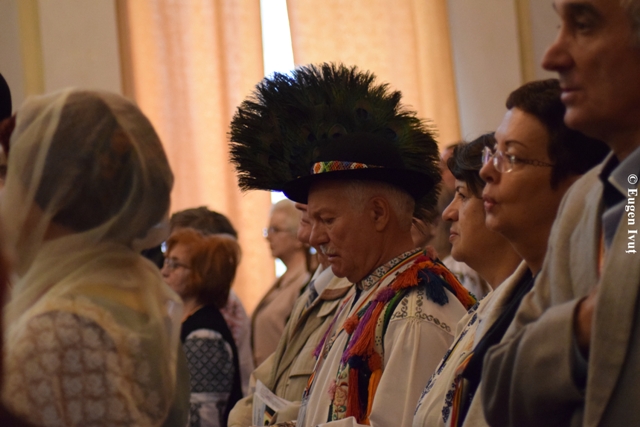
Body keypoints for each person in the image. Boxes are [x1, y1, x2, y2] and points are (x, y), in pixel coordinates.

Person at [229, 63, 476, 427]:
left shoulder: (415, 313)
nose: (313, 237)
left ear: (378, 213)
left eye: (328, 220)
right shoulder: (365, 294)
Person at [412, 80, 608, 426]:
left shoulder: (600, 282)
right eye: (493, 155)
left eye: (512, 157)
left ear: (577, 185)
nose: (487, 171)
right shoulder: (521, 292)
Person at [481, 1, 640, 426]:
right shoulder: (585, 199)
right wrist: (584, 325)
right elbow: (498, 389)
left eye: (584, 25)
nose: (552, 56)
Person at [0, 89, 189, 426]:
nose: (7, 197)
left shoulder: (53, 331)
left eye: (12, 177)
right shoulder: (146, 294)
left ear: (52, 198)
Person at [228, 203, 353, 426]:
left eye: (276, 230)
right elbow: (276, 364)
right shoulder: (303, 286)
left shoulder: (320, 285)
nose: (309, 235)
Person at [170, 206, 255, 396]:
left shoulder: (216, 314)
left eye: (176, 261)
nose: (166, 268)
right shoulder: (182, 301)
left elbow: (207, 400)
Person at [162, 229, 243, 427]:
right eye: (166, 261)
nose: (164, 271)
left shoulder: (205, 337)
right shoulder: (186, 321)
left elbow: (204, 420)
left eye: (175, 265)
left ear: (201, 274)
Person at [252, 200, 311, 366]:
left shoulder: (306, 280)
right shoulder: (282, 280)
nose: (268, 237)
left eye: (276, 230)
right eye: (268, 230)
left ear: (299, 236)